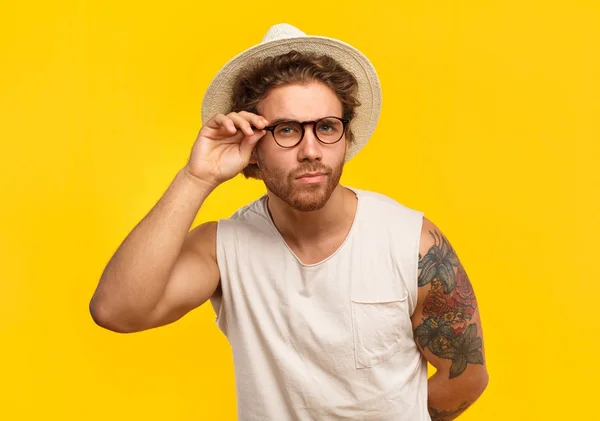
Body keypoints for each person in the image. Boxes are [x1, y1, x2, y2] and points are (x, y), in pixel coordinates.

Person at [89, 23, 489, 421]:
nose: (311, 150)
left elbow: (465, 379)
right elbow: (117, 311)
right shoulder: (222, 249)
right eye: (286, 130)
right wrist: (197, 178)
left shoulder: (412, 243)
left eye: (326, 127)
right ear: (252, 147)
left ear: (346, 137)